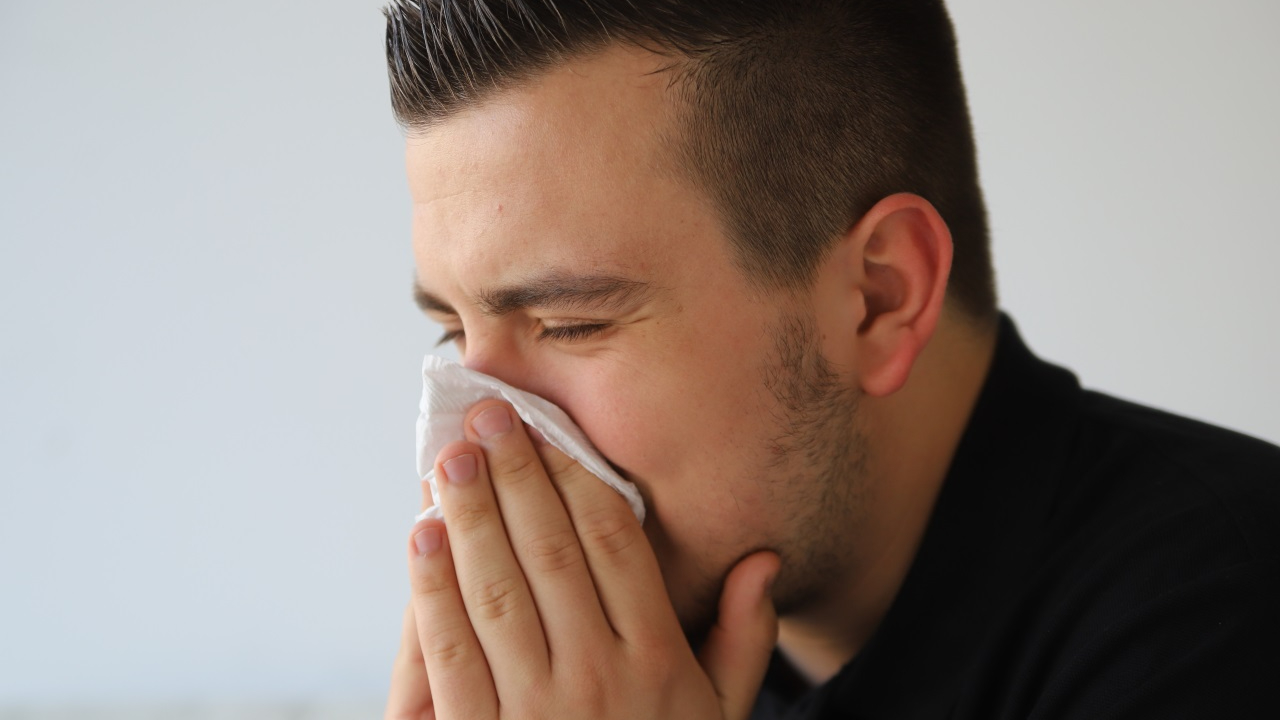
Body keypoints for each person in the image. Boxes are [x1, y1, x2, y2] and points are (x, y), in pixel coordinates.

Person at [378, 1, 1280, 718]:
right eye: (452, 333)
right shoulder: (621, 683)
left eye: (570, 323)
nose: (471, 439)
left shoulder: (1223, 622)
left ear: (880, 298)